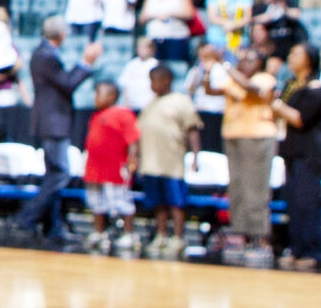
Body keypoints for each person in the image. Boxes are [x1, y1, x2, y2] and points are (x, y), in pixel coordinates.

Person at [18, 20, 101, 247]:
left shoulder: (43, 53)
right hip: (53, 123)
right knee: (60, 174)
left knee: (53, 175)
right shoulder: (47, 55)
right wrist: (86, 62)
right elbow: (67, 83)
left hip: (50, 123)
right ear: (62, 35)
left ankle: (53, 228)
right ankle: (27, 216)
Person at [272, 43, 321, 271]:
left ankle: (313, 251)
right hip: (292, 150)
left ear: (310, 59)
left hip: (311, 152)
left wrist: (275, 104)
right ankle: (296, 248)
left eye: (296, 53)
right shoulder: (291, 84)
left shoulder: (316, 89)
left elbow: (299, 118)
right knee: (293, 201)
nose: (291, 56)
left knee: (307, 202)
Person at [132, 63, 201, 259]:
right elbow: (138, 133)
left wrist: (196, 155)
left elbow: (192, 129)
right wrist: (134, 156)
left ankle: (178, 238)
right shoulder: (150, 104)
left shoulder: (181, 101)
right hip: (151, 163)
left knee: (176, 202)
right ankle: (161, 235)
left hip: (172, 163)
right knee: (157, 203)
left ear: (166, 80)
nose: (152, 85)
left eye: (154, 80)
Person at [217, 56, 279, 260]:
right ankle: (241, 235)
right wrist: (208, 69)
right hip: (233, 135)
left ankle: (259, 239)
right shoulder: (233, 78)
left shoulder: (264, 78)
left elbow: (251, 88)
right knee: (237, 189)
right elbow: (211, 90)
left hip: (258, 136)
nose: (246, 63)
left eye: (251, 59)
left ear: (259, 63)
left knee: (256, 188)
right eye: (243, 60)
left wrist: (224, 64)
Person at [79, 82, 139, 256]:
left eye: (99, 94)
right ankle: (99, 233)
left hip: (114, 168)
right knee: (96, 203)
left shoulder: (123, 115)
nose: (95, 98)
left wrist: (132, 160)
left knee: (121, 201)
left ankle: (129, 234)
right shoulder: (96, 115)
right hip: (95, 168)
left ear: (112, 96)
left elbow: (133, 140)